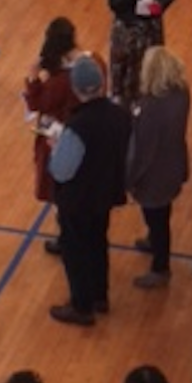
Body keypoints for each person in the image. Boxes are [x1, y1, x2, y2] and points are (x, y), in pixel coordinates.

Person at [48, 56, 132, 326]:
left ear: (76, 89)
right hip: (105, 193)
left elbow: (62, 170)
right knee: (98, 243)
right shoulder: (119, 115)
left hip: (78, 199)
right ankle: (99, 296)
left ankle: (81, 306)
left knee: (75, 250)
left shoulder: (78, 126)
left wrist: (55, 148)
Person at [127, 46, 190, 289]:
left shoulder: (150, 107)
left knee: (157, 218)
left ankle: (160, 267)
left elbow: (142, 150)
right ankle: (154, 241)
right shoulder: (181, 93)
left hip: (154, 174)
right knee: (162, 215)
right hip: (174, 163)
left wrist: (130, 178)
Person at [23, 17, 83, 211]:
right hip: (80, 132)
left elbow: (37, 103)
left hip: (59, 136)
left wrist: (33, 80)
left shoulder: (60, 82)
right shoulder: (88, 63)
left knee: (60, 187)